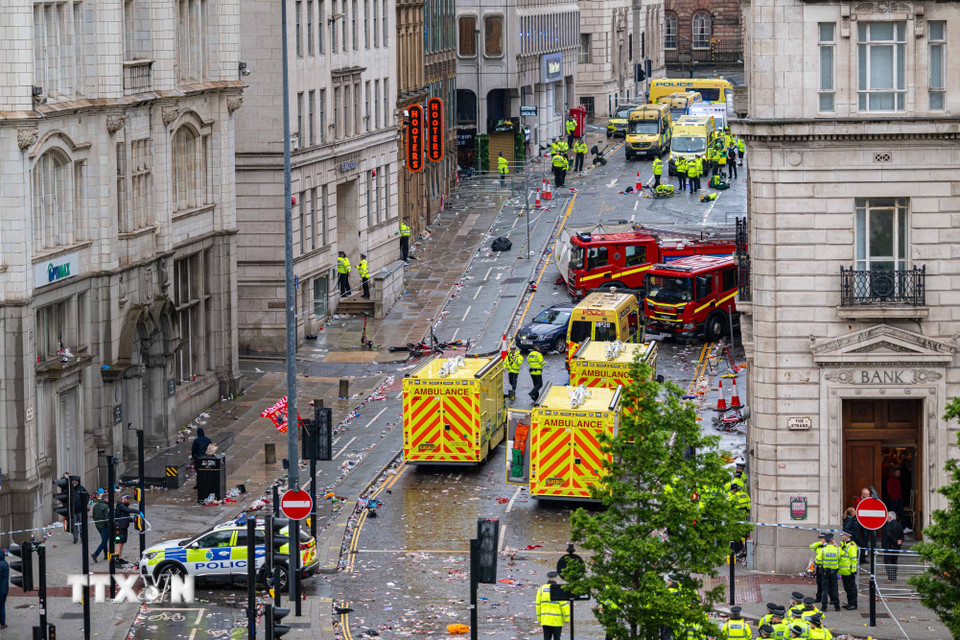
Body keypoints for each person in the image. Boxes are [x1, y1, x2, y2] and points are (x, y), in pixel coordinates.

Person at [536, 570, 570, 640]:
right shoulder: (559, 589)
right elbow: (564, 606)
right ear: (555, 579)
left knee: (546, 638)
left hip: (545, 620)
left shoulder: (541, 589)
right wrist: (567, 618)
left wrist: (539, 618)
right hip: (556, 621)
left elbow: (538, 605)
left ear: (548, 579)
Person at [115, 494, 139, 565]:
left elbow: (127, 517)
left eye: (129, 499)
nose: (128, 500)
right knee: (119, 544)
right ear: (123, 499)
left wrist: (133, 519)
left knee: (122, 544)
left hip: (124, 527)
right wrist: (139, 512)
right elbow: (129, 510)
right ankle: (116, 561)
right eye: (127, 499)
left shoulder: (124, 507)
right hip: (119, 527)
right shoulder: (121, 506)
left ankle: (120, 558)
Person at [819, 534, 841, 612]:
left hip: (825, 572)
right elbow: (840, 558)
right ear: (832, 540)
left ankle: (824, 607)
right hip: (834, 572)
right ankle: (837, 607)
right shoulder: (837, 550)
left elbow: (817, 560)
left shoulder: (823, 550)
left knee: (825, 590)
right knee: (834, 589)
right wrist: (836, 546)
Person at [881, 511, 904, 581]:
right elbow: (902, 535)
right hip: (896, 547)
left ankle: (890, 577)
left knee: (888, 562)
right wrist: (900, 541)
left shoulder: (888, 525)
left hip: (889, 547)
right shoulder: (899, 525)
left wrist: (895, 541)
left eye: (886, 516)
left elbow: (888, 535)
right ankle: (894, 577)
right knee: (894, 562)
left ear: (890, 517)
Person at [839, 529, 859, 609]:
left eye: (843, 535)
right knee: (847, 588)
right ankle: (850, 603)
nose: (841, 536)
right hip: (843, 571)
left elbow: (854, 559)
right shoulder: (843, 544)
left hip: (849, 571)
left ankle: (853, 604)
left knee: (851, 588)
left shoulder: (852, 545)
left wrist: (853, 571)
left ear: (847, 536)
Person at [92, 490, 111, 563]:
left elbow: (94, 516)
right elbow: (107, 517)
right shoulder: (106, 506)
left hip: (98, 526)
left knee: (104, 539)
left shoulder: (96, 505)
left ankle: (106, 554)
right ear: (106, 499)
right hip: (104, 526)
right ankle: (95, 554)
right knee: (105, 541)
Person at [71, 475, 88, 543]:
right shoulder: (71, 489)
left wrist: (84, 505)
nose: (74, 484)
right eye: (73, 482)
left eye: (75, 482)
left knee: (81, 525)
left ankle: (82, 537)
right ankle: (75, 537)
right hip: (73, 510)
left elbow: (87, 496)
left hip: (80, 510)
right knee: (74, 525)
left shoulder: (81, 488)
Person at [810, 532, 826, 602]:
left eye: (822, 538)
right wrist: (820, 543)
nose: (820, 540)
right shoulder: (818, 545)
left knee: (828, 584)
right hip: (819, 567)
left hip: (826, 567)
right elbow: (811, 546)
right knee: (819, 583)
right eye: (820, 538)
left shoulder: (828, 546)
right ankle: (818, 597)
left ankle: (832, 599)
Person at [0, 549, 7, 629]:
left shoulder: (0, 565)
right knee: (2, 606)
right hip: (5, 589)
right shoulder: (5, 564)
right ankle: (2, 623)